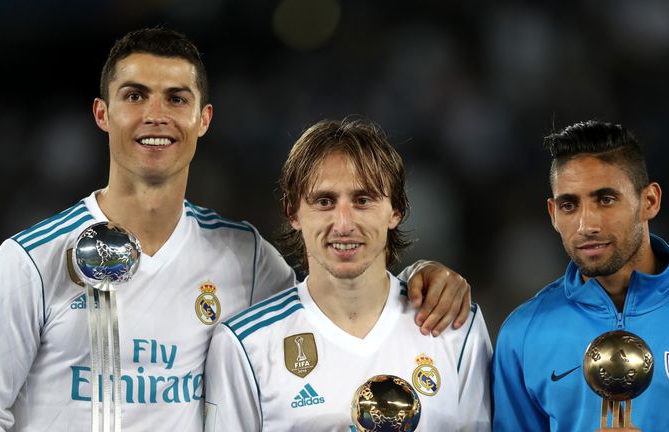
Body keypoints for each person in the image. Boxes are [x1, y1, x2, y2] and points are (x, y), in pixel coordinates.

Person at [0, 28, 472, 431]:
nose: (156, 115)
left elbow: (334, 306)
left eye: (177, 98)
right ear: (102, 114)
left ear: (203, 119)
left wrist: (422, 278)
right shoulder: (29, 262)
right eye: (135, 96)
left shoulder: (247, 257)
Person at [204, 118, 492, 431]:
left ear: (395, 210)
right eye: (325, 201)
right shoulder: (245, 345)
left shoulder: (457, 327)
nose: (343, 223)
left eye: (362, 200)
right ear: (293, 212)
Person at [492, 120, 669, 431]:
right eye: (569, 205)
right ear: (553, 214)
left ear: (649, 202)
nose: (587, 225)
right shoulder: (522, 335)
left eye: (605, 199)